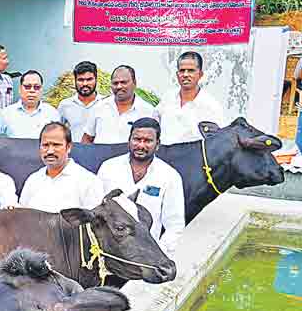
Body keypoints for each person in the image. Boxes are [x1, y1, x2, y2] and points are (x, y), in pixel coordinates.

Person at [97, 118, 185, 254]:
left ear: (158, 144)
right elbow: (96, 210)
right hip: (110, 255)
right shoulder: (108, 168)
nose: (141, 145)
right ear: (129, 140)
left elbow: (175, 226)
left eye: (148, 141)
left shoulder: (170, 177)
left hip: (146, 259)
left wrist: (158, 254)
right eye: (137, 139)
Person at [20, 122, 105, 212]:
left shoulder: (88, 181)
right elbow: (21, 215)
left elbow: (96, 222)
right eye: (45, 145)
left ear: (68, 147)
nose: (50, 151)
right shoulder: (33, 179)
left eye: (56, 145)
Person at [156, 51, 226, 144]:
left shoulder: (211, 106)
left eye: (191, 70)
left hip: (194, 157)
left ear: (200, 74)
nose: (185, 75)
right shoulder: (167, 98)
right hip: (163, 155)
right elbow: (154, 127)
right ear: (177, 74)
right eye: (182, 70)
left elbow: (217, 142)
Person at [85, 66, 158, 144]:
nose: (119, 86)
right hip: (100, 155)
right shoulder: (98, 107)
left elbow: (153, 142)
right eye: (115, 83)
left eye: (124, 82)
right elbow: (87, 138)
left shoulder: (148, 111)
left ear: (134, 83)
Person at [0, 70, 61, 139]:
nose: (32, 90)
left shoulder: (52, 113)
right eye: (27, 87)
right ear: (20, 89)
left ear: (41, 90)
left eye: (36, 87)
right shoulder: (6, 113)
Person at [58, 61, 102, 143]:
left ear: (96, 79)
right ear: (75, 81)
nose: (85, 83)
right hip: (73, 152)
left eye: (89, 79)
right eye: (81, 80)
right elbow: (57, 133)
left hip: (100, 153)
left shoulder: (104, 104)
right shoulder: (65, 105)